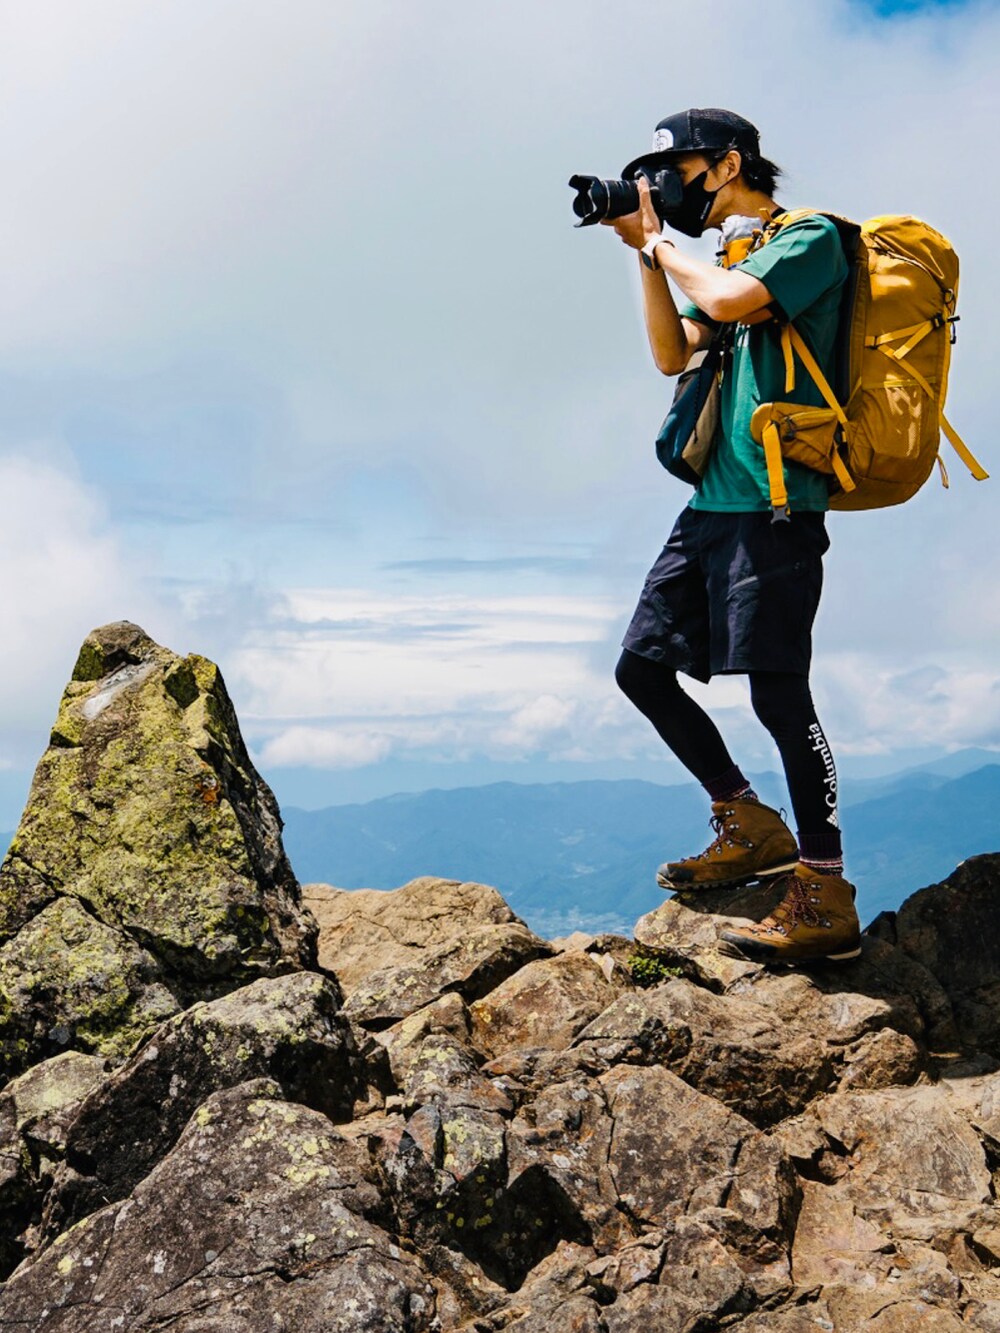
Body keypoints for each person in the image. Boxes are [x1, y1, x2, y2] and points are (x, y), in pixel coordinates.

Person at [606, 107, 861, 964]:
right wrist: (645, 254)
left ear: (729, 163)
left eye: (678, 169)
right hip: (712, 508)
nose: (669, 186)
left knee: (779, 695)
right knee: (641, 669)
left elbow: (726, 301)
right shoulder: (726, 256)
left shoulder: (811, 239)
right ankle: (747, 820)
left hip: (778, 510)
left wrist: (661, 246)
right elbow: (673, 353)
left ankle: (824, 886)